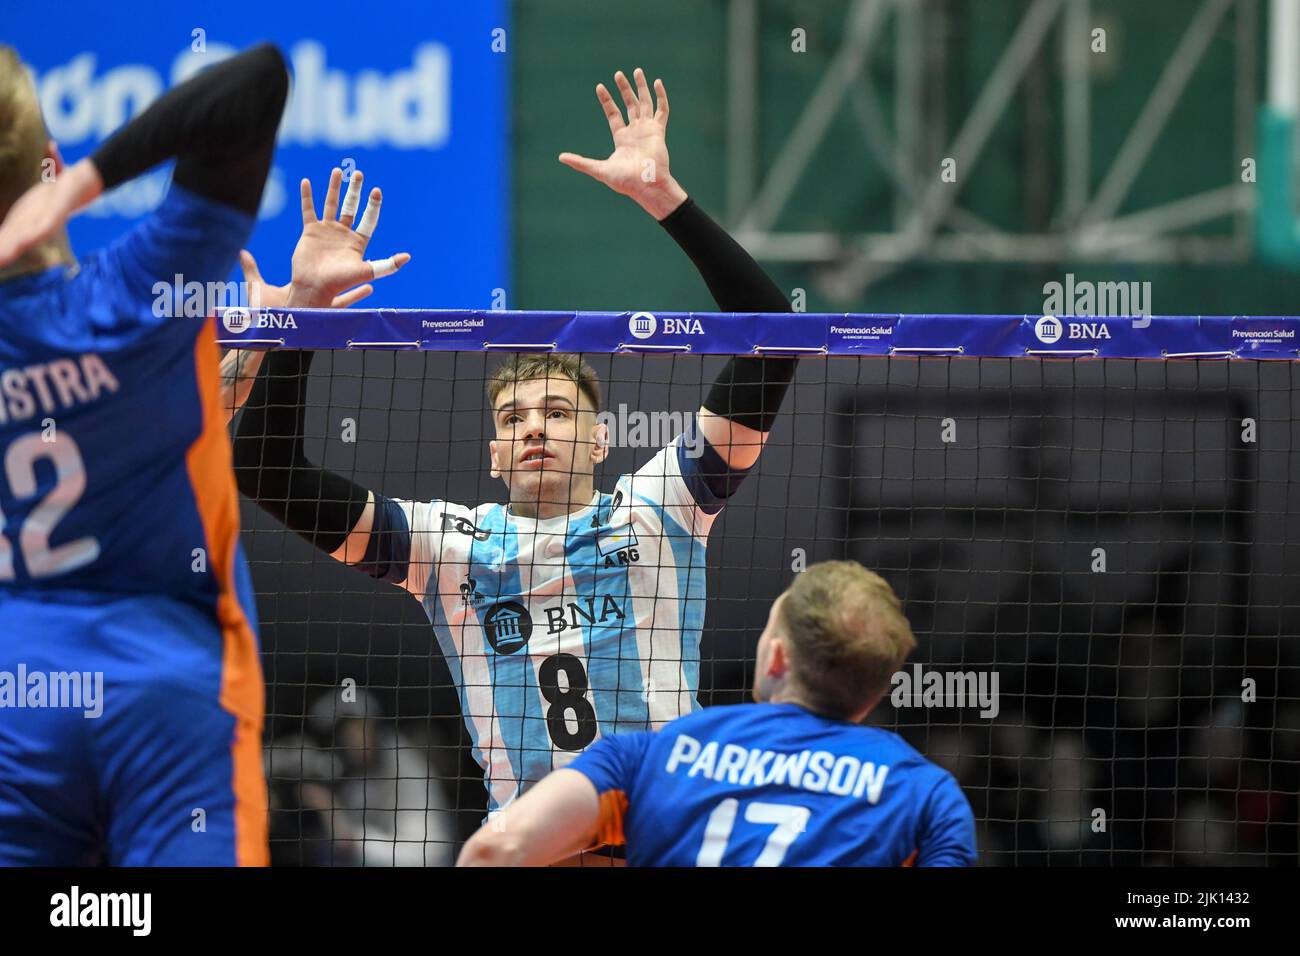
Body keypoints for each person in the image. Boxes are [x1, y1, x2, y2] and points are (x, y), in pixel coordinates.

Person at [231, 69, 801, 828]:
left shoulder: (662, 505)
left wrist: (666, 199)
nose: (533, 427)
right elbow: (267, 473)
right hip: (528, 844)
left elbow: (773, 334)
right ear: (494, 455)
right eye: (513, 419)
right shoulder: (449, 546)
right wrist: (299, 317)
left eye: (558, 413)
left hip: (660, 835)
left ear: (601, 442)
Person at [0, 43, 404, 865]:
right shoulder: (137, 290)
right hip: (170, 690)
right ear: (49, 163)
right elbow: (254, 83)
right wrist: (85, 185)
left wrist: (281, 320)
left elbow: (159, 418)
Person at [457, 560, 978, 866]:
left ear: (777, 655)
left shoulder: (647, 757)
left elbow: (492, 853)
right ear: (879, 686)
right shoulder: (926, 796)